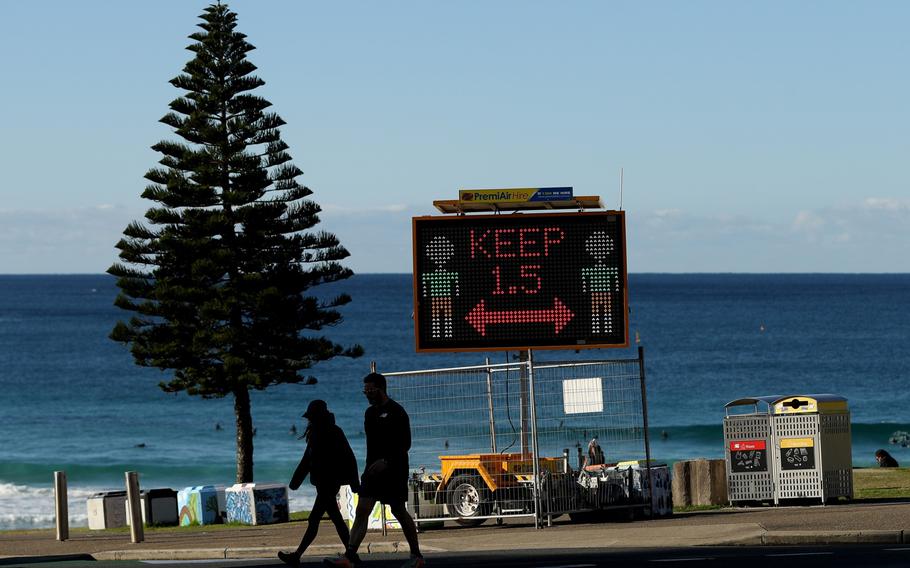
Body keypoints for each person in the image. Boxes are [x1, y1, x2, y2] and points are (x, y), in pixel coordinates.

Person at [325, 372, 424, 568]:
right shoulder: (369, 414)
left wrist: (387, 461)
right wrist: (367, 469)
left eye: (370, 390)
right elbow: (372, 445)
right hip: (372, 471)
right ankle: (350, 556)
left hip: (394, 470)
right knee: (362, 510)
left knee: (398, 511)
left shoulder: (397, 411)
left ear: (381, 389)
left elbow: (405, 443)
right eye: (365, 391)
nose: (367, 394)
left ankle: (417, 555)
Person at [278, 399, 359, 568]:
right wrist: (295, 482)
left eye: (311, 417)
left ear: (317, 417)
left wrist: (354, 484)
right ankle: (352, 555)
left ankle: (297, 555)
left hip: (328, 484)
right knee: (336, 520)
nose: (309, 420)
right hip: (326, 483)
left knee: (314, 518)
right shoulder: (324, 432)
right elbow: (310, 459)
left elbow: (346, 458)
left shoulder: (326, 432)